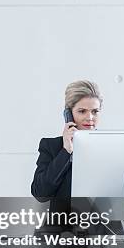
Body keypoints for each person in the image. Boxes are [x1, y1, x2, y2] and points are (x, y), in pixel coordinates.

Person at [30, 80, 104, 235]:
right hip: (60, 233)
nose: (90, 117)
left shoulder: (109, 147)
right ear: (68, 114)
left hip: (100, 231)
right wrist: (66, 151)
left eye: (95, 111)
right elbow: (41, 194)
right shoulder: (51, 146)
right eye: (82, 111)